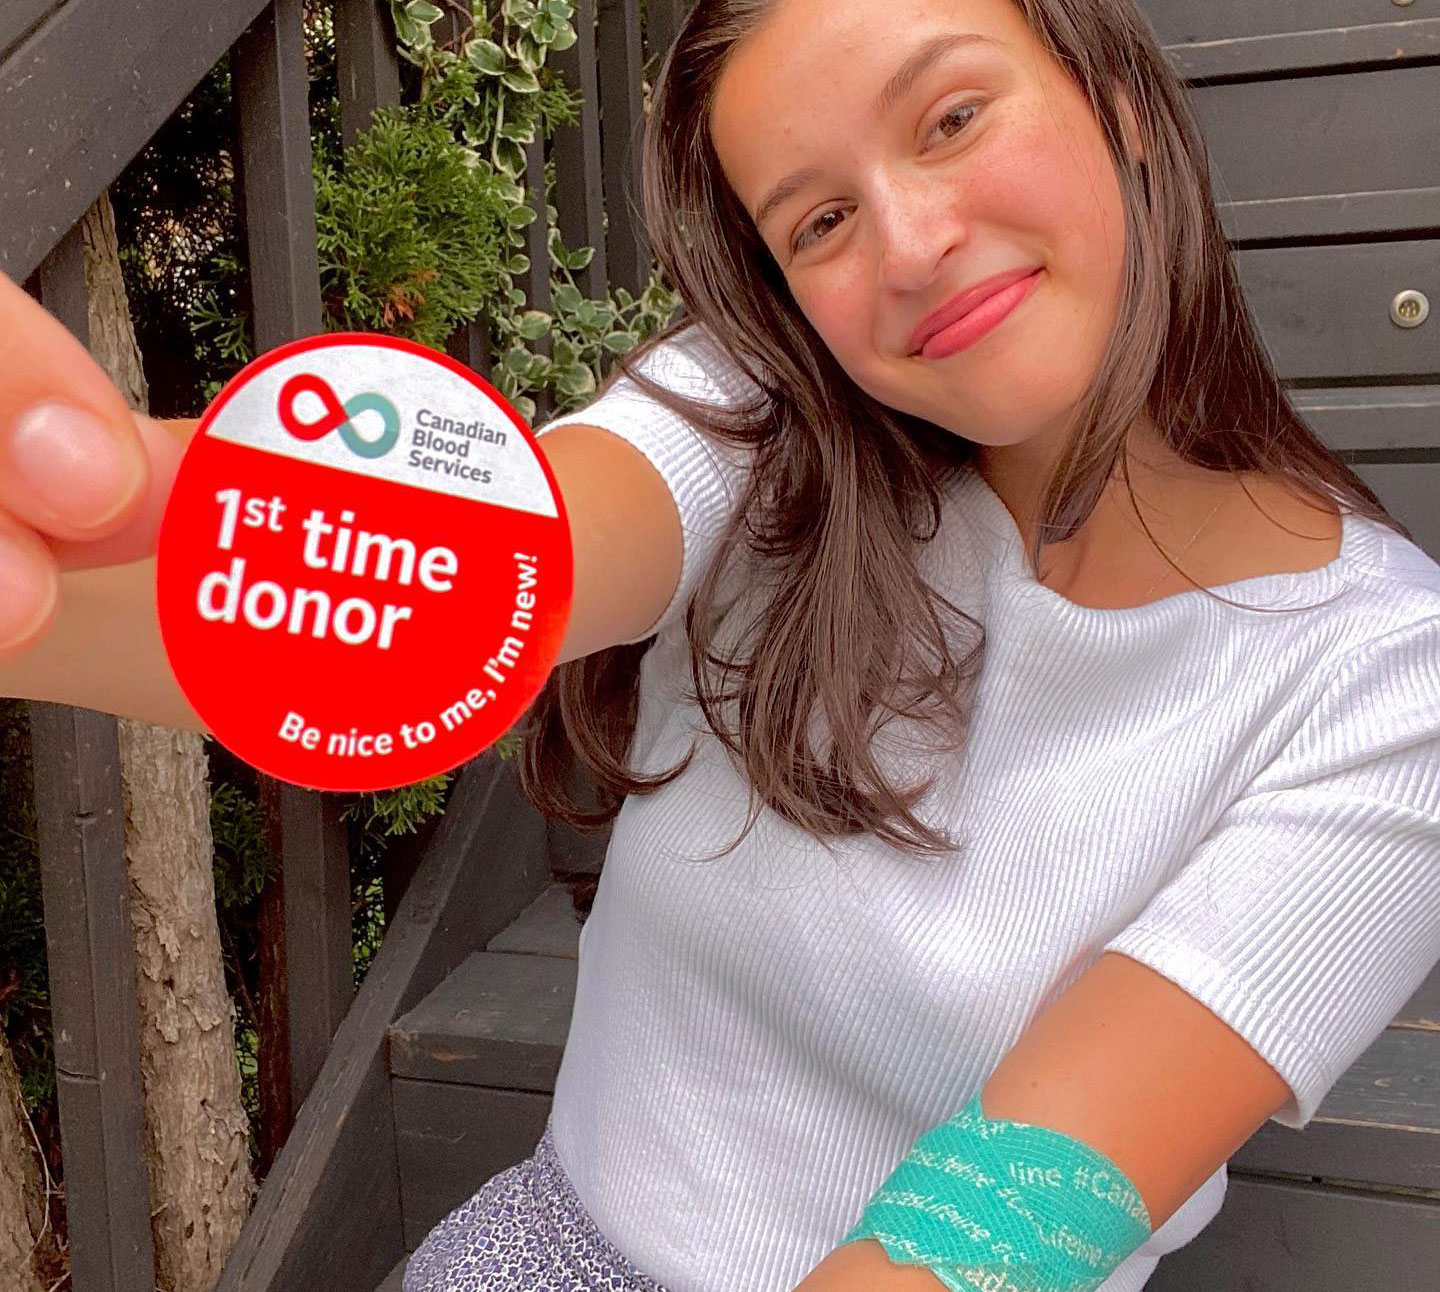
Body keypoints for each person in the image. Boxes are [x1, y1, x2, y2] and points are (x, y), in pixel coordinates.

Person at [0, 0, 1436, 1290]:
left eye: (952, 117)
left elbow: (999, 1234)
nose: (912, 243)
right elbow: (485, 565)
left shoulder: (1387, 684)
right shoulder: (764, 414)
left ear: (1114, 94)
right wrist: (93, 497)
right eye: (817, 222)